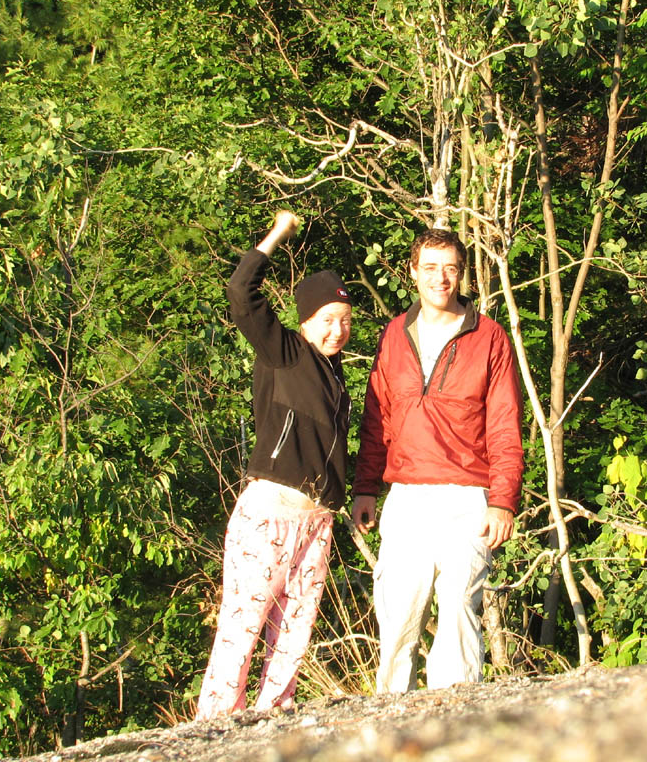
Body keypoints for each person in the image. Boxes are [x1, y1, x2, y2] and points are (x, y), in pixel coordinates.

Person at [351, 228, 524, 693]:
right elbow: (377, 419)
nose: (440, 278)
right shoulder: (394, 335)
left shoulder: (489, 338)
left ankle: (458, 732)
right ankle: (388, 730)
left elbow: (505, 423)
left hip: (468, 499)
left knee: (458, 614)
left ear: (461, 273)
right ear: (412, 272)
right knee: (398, 620)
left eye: (449, 268)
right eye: (429, 267)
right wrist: (365, 488)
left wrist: (503, 499)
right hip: (406, 498)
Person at [196, 211, 353, 720]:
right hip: (270, 512)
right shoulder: (284, 352)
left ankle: (272, 717)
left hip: (317, 519)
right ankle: (216, 724)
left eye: (345, 321)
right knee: (243, 623)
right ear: (305, 322)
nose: (337, 330)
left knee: (295, 627)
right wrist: (278, 234)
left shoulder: (336, 378)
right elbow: (242, 294)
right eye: (326, 320)